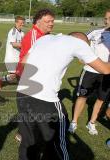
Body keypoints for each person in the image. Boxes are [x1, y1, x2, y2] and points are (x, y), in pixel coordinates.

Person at [16, 32, 110, 160]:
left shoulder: (45, 38)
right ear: (84, 42)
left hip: (22, 92)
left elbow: (24, 61)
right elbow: (105, 69)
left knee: (28, 139)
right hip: (45, 98)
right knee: (58, 141)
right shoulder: (79, 43)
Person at [68, 10, 110, 135]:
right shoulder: (96, 32)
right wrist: (81, 57)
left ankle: (92, 123)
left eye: (109, 18)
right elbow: (80, 42)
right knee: (82, 96)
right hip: (90, 71)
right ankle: (74, 121)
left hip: (107, 74)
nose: (107, 20)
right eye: (106, 18)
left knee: (101, 99)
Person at [0, 9, 55, 90]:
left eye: (23, 23)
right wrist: (24, 45)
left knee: (16, 76)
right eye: (21, 23)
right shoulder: (13, 32)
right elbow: (13, 43)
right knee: (15, 75)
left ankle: (0, 80)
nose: (22, 24)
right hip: (12, 56)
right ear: (16, 23)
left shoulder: (22, 32)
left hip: (19, 55)